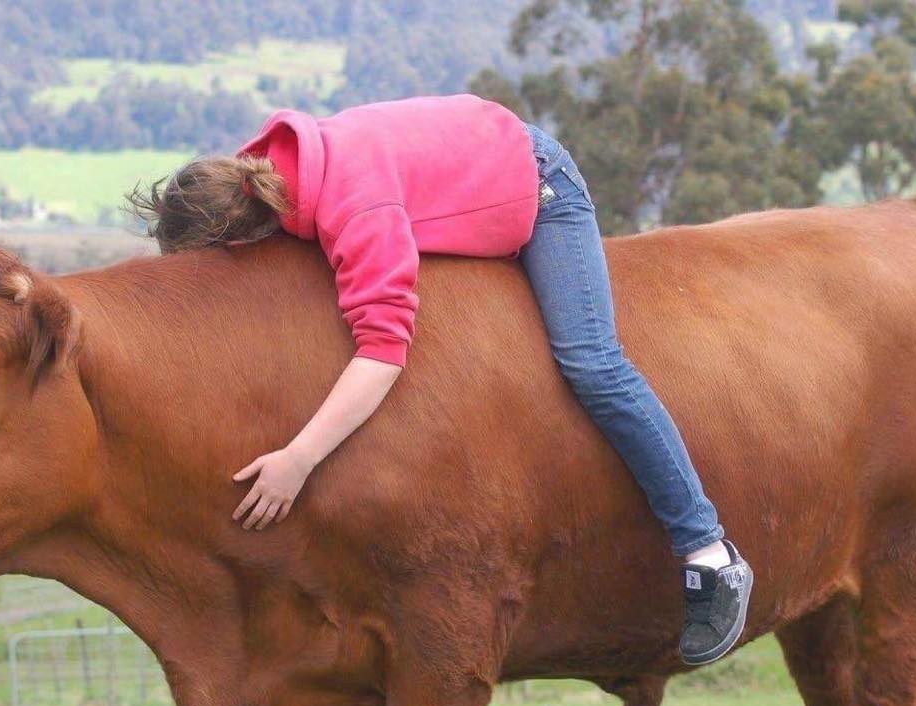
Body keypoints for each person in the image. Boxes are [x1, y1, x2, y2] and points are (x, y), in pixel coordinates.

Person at [128, 95, 753, 666]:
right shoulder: (259, 170)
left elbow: (383, 353)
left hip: (539, 185)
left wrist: (299, 458)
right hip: (464, 160)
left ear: (244, 232)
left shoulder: (357, 209)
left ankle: (709, 552)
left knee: (592, 363)